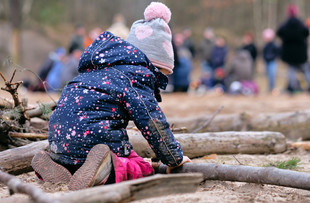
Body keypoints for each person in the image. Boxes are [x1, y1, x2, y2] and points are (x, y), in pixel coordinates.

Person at [31, 2, 190, 190]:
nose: (158, 82)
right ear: (151, 65)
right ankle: (106, 168)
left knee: (86, 156)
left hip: (60, 142)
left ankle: (58, 165)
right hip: (97, 142)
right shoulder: (136, 77)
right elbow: (153, 123)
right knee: (137, 167)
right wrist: (174, 159)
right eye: (160, 75)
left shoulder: (95, 71)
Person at [277, 4, 310, 93]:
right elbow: (307, 32)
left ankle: (291, 87)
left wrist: (286, 40)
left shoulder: (285, 24)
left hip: (289, 53)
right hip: (301, 52)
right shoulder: (300, 23)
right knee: (306, 69)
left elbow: (279, 32)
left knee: (291, 70)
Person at [262, 28, 280, 93]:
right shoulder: (265, 46)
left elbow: (277, 53)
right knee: (268, 76)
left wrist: (274, 58)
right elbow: (263, 53)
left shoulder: (274, 45)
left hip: (272, 62)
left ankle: (272, 88)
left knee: (272, 75)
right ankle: (270, 88)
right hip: (267, 62)